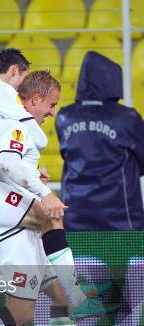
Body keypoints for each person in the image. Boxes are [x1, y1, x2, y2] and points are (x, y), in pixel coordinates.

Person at [0, 49, 106, 319]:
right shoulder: (2, 91)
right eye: (23, 78)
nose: (21, 90)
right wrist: (43, 191)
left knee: (23, 310)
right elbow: (37, 138)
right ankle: (76, 295)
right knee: (49, 214)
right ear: (15, 71)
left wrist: (28, 170)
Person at [56, 51, 144, 231]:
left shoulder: (64, 117)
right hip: (122, 222)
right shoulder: (128, 118)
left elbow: (68, 156)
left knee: (77, 259)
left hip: (74, 219)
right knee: (123, 259)